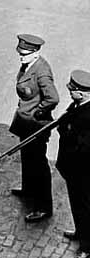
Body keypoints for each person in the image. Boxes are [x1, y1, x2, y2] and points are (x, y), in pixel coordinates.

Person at [9, 34, 59, 223]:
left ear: (36, 52)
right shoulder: (28, 65)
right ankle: (28, 189)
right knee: (27, 158)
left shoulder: (41, 71)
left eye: (25, 54)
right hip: (26, 123)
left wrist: (39, 112)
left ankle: (43, 207)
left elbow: (52, 98)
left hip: (36, 126)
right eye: (20, 53)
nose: (21, 57)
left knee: (38, 165)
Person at [57, 70, 90, 258]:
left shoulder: (88, 115)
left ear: (83, 93)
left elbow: (83, 147)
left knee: (85, 208)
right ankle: (80, 232)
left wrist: (66, 130)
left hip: (83, 171)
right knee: (76, 204)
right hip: (73, 168)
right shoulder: (78, 105)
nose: (70, 92)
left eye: (73, 90)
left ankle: (86, 246)